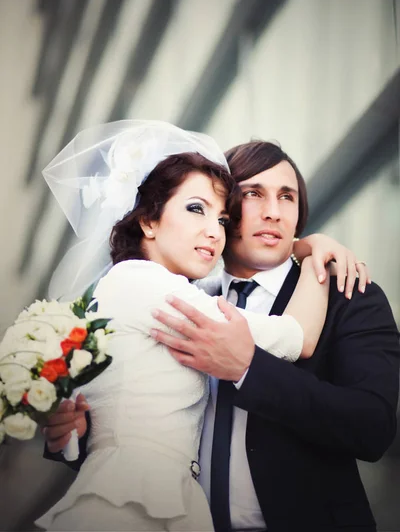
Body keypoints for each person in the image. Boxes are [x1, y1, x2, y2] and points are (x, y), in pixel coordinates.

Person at [36, 121, 332, 532]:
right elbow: (293, 339)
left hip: (164, 497)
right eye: (196, 209)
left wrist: (72, 435)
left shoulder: (140, 288)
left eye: (223, 220)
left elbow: (87, 410)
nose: (214, 232)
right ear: (148, 221)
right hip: (132, 501)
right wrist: (317, 255)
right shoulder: (141, 282)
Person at [148, 140, 400, 532]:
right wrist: (77, 434)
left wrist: (249, 369)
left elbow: (373, 428)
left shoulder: (349, 296)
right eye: (253, 194)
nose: (273, 212)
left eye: (287, 197)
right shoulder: (184, 301)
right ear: (222, 210)